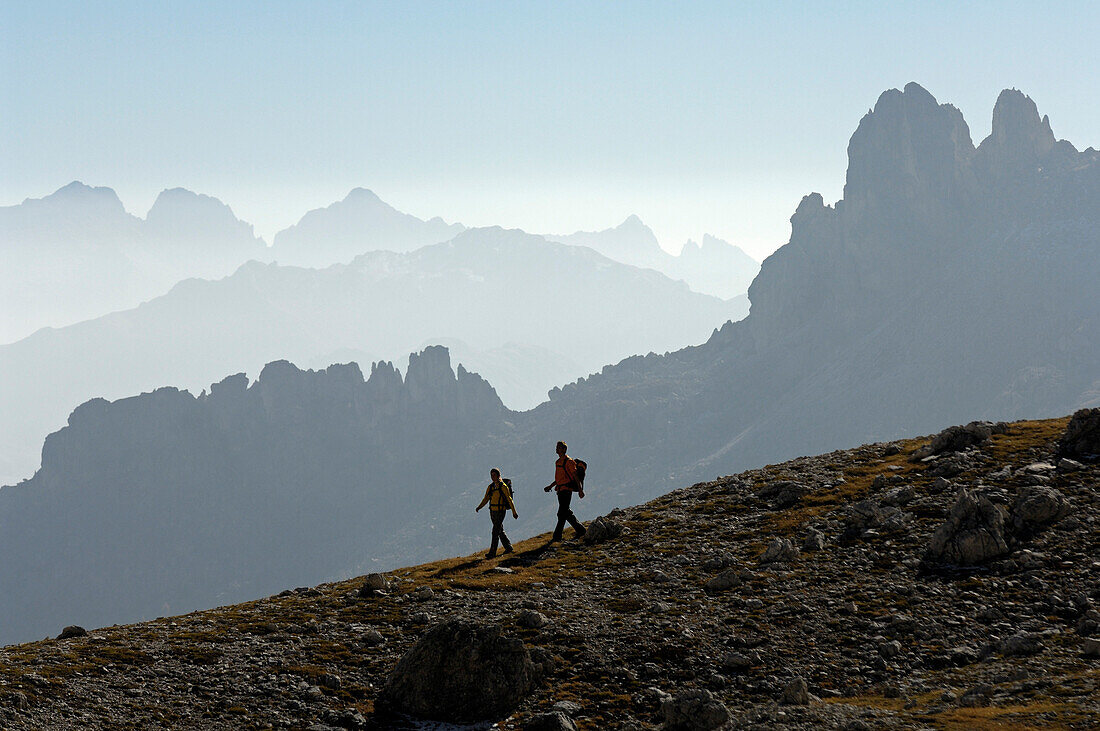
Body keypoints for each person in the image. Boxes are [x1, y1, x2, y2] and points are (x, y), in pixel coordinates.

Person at [543, 440, 587, 541]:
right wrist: (550, 486)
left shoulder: (569, 462)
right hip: (560, 490)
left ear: (564, 449)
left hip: (567, 490)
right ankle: (581, 530)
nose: (556, 449)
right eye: (557, 447)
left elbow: (575, 476)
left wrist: (580, 490)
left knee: (561, 513)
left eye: (558, 447)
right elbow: (559, 478)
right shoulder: (558, 462)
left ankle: (557, 537)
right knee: (566, 512)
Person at [476, 468, 518, 558]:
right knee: (500, 530)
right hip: (492, 511)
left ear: (498, 475)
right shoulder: (491, 487)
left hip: (500, 511)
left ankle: (492, 552)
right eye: (491, 475)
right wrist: (479, 507)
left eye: (494, 475)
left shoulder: (503, 486)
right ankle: (509, 547)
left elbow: (509, 499)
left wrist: (514, 512)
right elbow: (486, 499)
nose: (492, 477)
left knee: (495, 531)